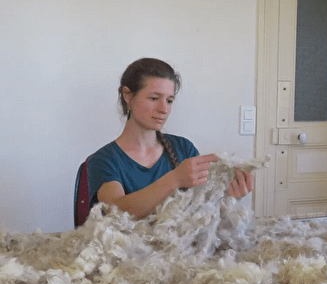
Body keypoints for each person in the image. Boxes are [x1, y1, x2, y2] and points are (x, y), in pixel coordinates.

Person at [87, 58, 253, 219]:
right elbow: (115, 212)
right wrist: (175, 179)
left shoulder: (184, 148)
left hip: (179, 247)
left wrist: (229, 197)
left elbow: (199, 212)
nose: (164, 109)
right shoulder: (103, 160)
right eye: (154, 98)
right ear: (128, 96)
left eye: (169, 100)